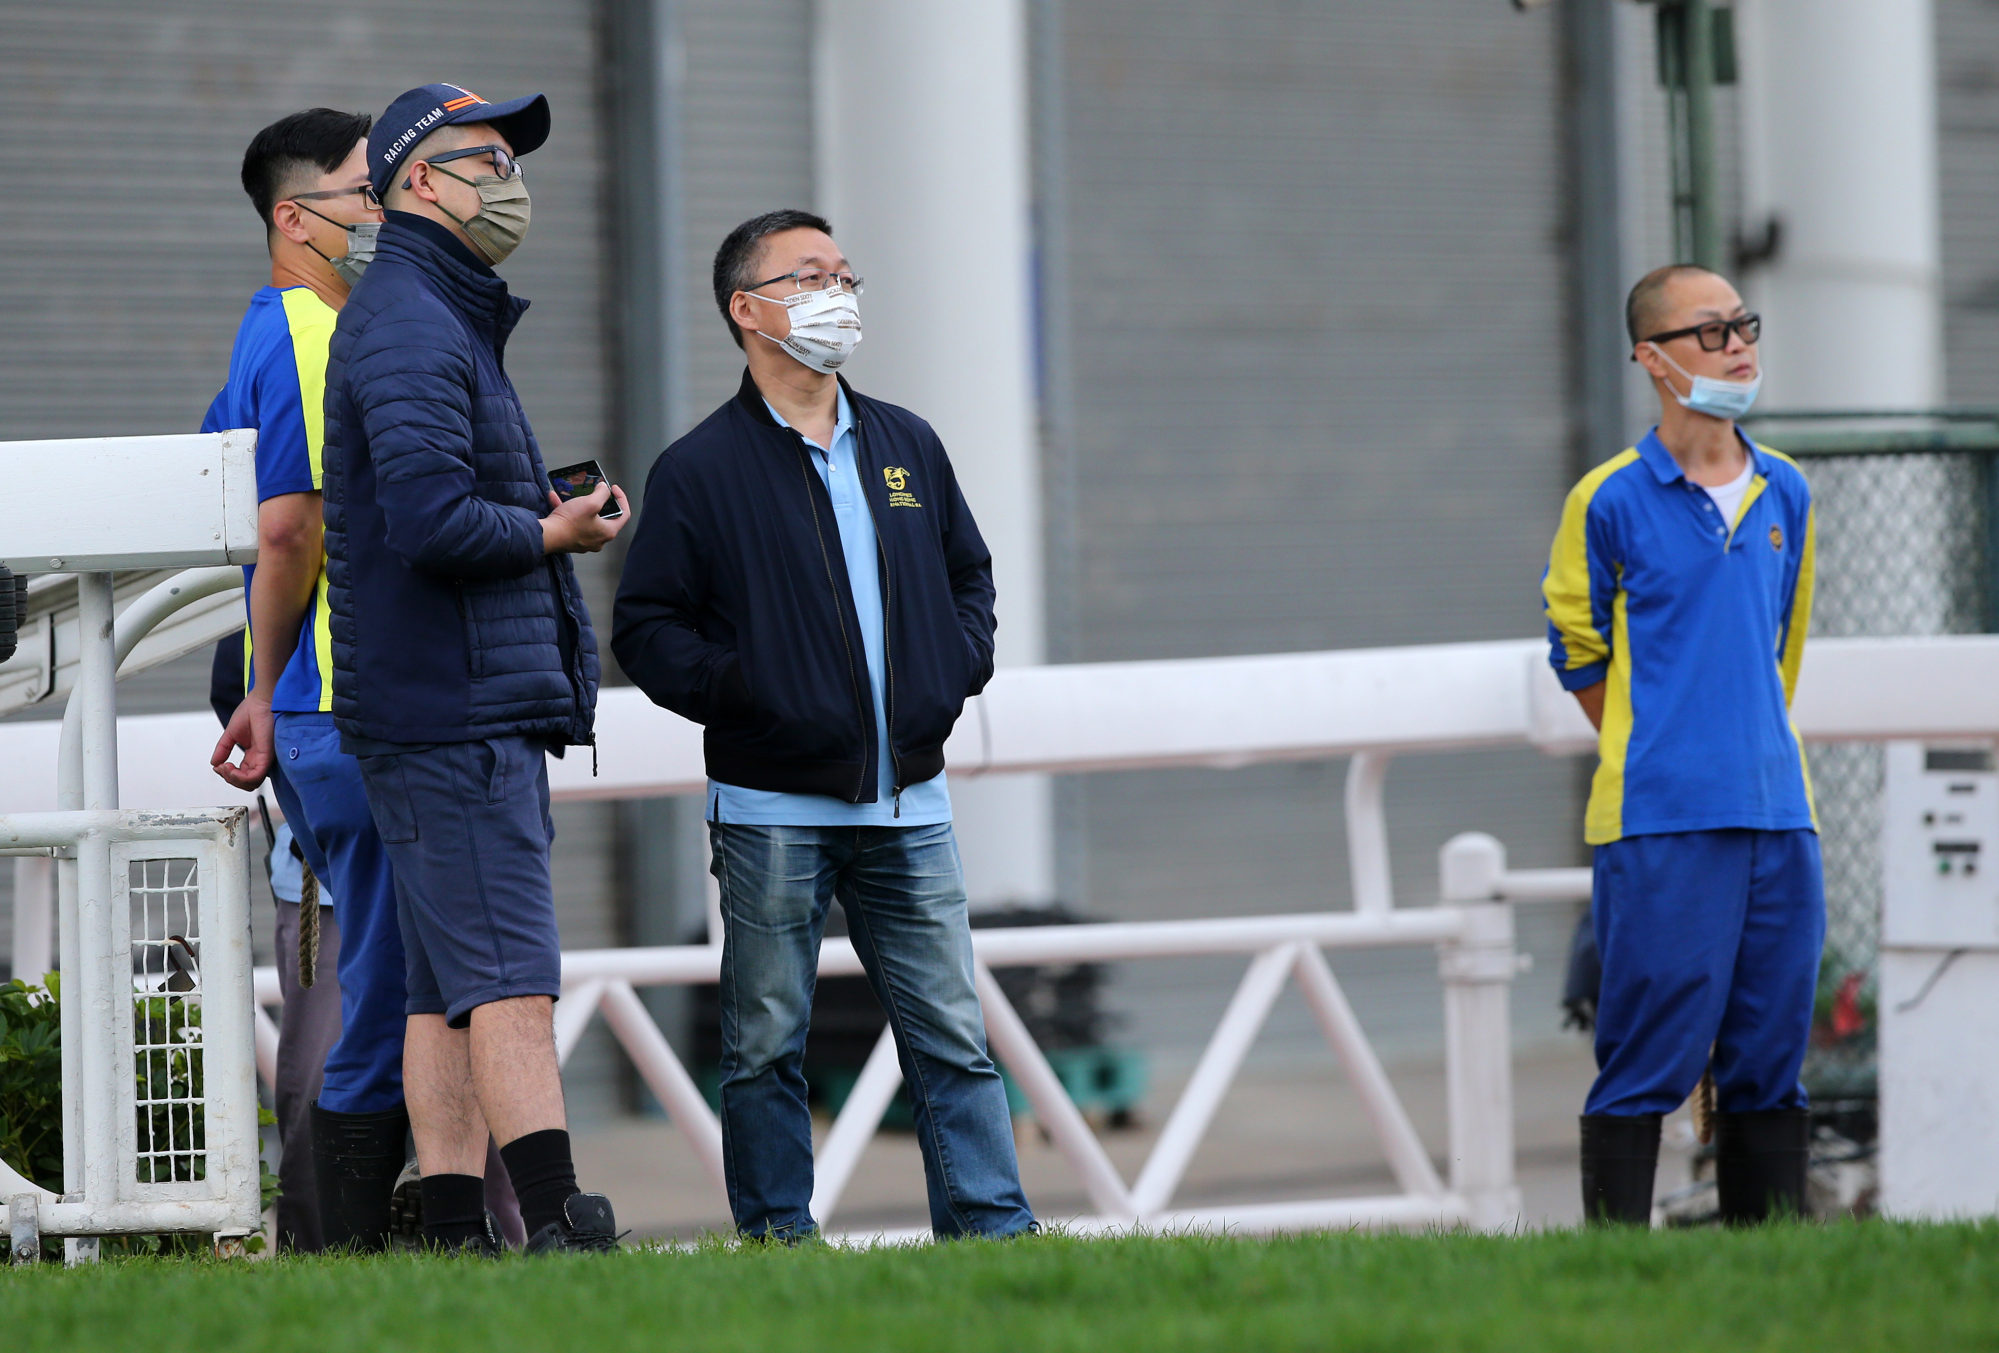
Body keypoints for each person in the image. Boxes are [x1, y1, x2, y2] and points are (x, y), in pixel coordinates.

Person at [612, 210, 1035, 1242]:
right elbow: (647, 628)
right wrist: (754, 691)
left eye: (844, 272)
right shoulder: (700, 469)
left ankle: (993, 1235)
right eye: (809, 275)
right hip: (769, 809)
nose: (838, 290)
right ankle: (776, 1243)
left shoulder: (905, 444)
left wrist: (950, 669)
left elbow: (968, 577)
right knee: (764, 1045)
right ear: (746, 310)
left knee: (953, 1039)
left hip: (911, 802)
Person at [320, 84, 626, 1254]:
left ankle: (449, 1221)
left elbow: (444, 498)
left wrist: (541, 509)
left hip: (438, 700)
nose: (510, 178)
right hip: (450, 708)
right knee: (509, 967)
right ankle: (557, 1216)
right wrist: (553, 534)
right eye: (486, 157)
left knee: (442, 980)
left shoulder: (432, 312)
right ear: (421, 184)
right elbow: (431, 522)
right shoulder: (407, 319)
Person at [1542, 264, 1822, 1226]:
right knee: (1645, 1055)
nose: (1738, 343)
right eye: (1710, 331)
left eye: (1743, 323)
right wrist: (1656, 743)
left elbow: (1779, 646)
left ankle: (1769, 1266)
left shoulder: (1787, 489)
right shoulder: (1607, 499)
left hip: (1780, 815)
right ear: (1652, 359)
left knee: (1770, 1055)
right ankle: (1612, 1267)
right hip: (1659, 818)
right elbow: (1575, 649)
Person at [201, 108, 422, 1251]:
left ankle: (365, 1233)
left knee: (369, 969)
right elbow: (288, 530)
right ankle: (344, 1238)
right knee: (377, 979)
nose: (382, 213)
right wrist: (267, 685)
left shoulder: (292, 328)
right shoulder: (303, 328)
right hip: (343, 701)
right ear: (295, 218)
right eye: (361, 192)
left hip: (325, 700)